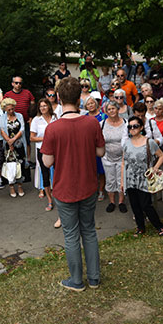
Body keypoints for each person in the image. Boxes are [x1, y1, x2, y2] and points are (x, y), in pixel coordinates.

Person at [41, 76, 105, 291]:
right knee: (88, 230)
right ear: (80, 97)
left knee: (71, 234)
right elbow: (100, 151)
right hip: (88, 185)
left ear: (58, 98)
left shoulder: (53, 128)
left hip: (65, 187)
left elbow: (47, 161)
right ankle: (94, 278)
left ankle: (77, 280)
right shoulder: (92, 123)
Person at [121, 117, 163, 236]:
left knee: (146, 205)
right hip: (130, 180)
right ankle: (140, 227)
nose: (132, 129)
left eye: (135, 126)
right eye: (130, 127)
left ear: (141, 127)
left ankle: (159, 226)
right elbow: (123, 163)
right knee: (135, 205)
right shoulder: (126, 144)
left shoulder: (149, 142)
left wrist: (155, 168)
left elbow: (161, 156)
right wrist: (122, 182)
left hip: (144, 180)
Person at [100, 100, 128, 213]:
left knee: (121, 180)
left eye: (113, 108)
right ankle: (112, 202)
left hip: (122, 157)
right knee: (110, 180)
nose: (111, 111)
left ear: (118, 109)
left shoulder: (126, 123)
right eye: (109, 109)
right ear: (106, 111)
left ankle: (121, 202)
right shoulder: (101, 124)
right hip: (107, 157)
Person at [30, 98, 56, 211]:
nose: (43, 108)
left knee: (58, 173)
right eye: (41, 106)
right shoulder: (36, 120)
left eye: (45, 105)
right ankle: (50, 200)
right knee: (45, 174)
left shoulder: (55, 117)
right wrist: (45, 138)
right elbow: (32, 138)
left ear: (49, 106)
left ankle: (59, 197)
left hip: (56, 149)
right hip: (42, 150)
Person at [0, 98, 28, 198]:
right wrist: (9, 141)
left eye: (12, 108)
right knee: (10, 166)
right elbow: (1, 130)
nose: (11, 111)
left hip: (19, 143)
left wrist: (13, 139)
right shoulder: (2, 117)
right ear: (5, 109)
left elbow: (22, 128)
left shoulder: (19, 115)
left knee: (20, 165)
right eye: (9, 109)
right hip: (8, 145)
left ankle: (20, 185)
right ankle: (11, 186)